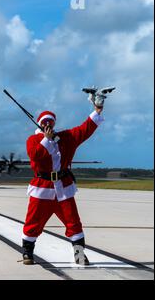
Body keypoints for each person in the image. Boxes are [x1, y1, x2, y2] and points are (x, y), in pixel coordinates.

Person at [22, 105, 104, 265]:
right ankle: (27, 252)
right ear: (40, 124)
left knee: (73, 222)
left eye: (50, 122)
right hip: (42, 189)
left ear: (54, 124)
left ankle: (79, 254)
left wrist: (98, 110)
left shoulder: (65, 138)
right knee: (33, 221)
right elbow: (35, 155)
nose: (48, 125)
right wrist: (46, 139)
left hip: (63, 188)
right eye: (44, 122)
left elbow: (84, 129)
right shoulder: (33, 140)